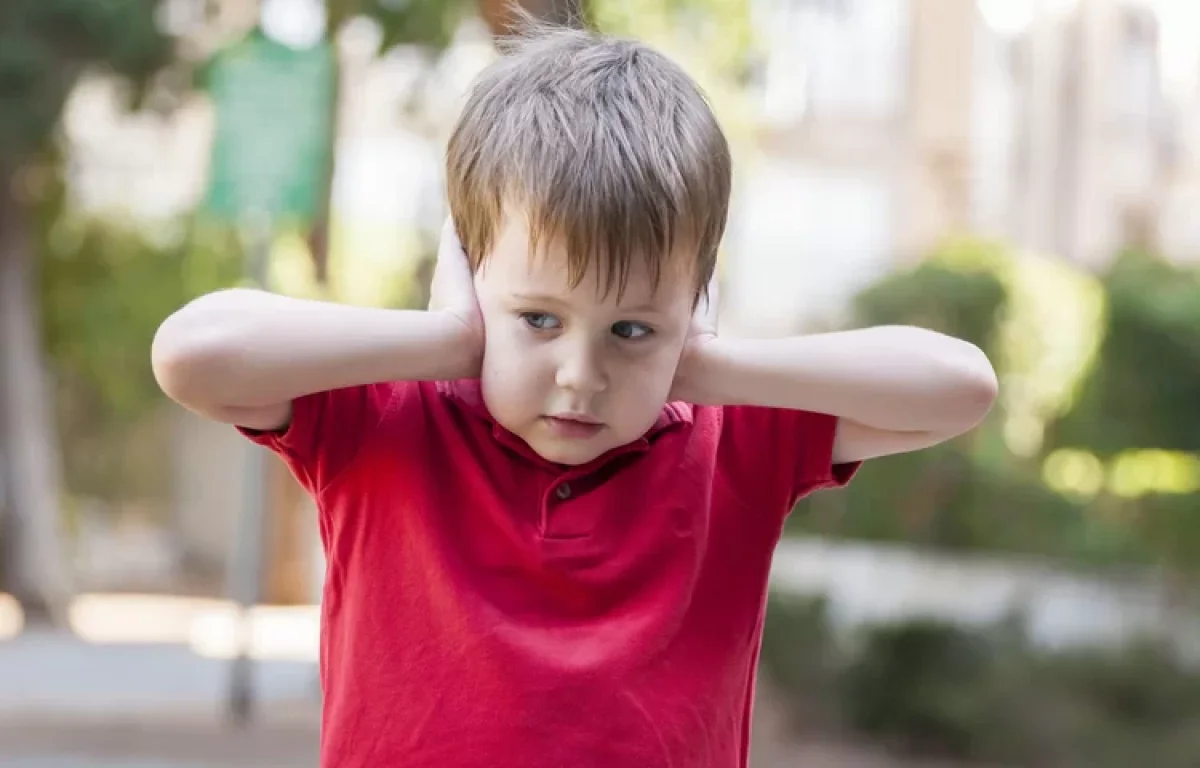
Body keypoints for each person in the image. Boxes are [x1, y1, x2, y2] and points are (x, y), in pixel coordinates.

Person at [152, 20, 997, 768]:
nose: (580, 376)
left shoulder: (732, 444)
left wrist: (701, 366)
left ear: (691, 314)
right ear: (472, 279)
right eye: (539, 319)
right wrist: (450, 338)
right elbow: (194, 353)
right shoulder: (386, 423)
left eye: (631, 330)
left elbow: (960, 387)